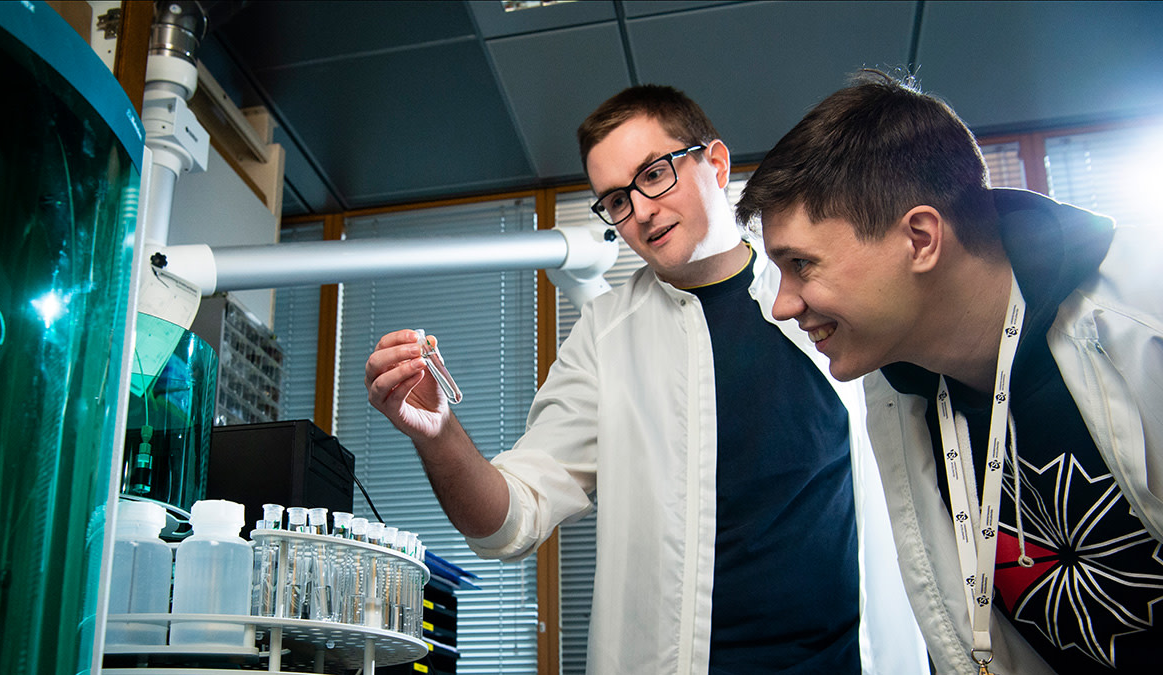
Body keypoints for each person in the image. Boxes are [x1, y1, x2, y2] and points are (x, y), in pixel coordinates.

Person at [365, 84, 925, 674]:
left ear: (715, 163)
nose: (642, 211)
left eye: (654, 174)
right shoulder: (607, 337)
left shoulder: (827, 279)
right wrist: (437, 434)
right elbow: (510, 520)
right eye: (615, 200)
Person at [736, 70, 1163, 675]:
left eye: (801, 264)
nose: (782, 303)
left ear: (920, 238)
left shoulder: (1144, 315)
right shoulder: (897, 390)